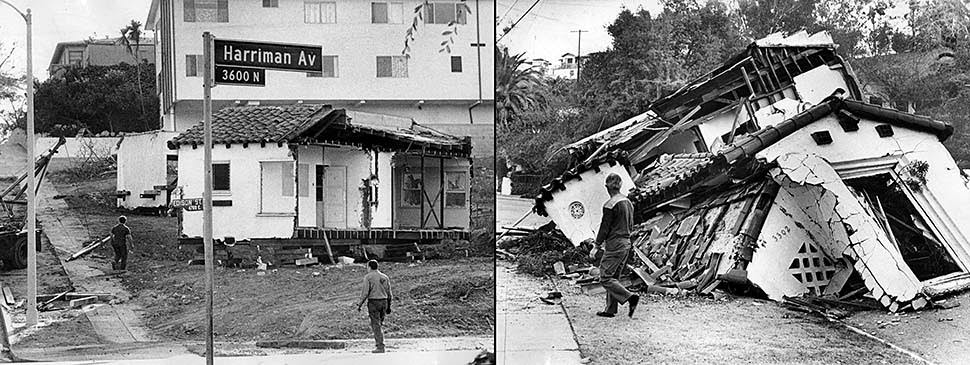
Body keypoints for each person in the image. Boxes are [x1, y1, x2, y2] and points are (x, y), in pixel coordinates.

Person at [589, 173, 640, 318]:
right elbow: (631, 224)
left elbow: (605, 228)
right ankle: (610, 309)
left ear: (607, 187)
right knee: (614, 277)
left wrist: (596, 246)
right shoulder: (628, 202)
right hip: (626, 242)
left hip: (615, 243)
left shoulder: (610, 205)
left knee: (605, 277)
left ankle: (631, 298)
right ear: (620, 185)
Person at [356, 259, 393, 353]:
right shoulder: (384, 277)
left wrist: (360, 304)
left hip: (373, 302)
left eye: (367, 267)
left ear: (369, 267)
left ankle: (380, 346)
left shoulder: (368, 277)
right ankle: (380, 343)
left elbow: (365, 293)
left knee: (376, 325)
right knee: (380, 323)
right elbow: (389, 293)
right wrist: (389, 305)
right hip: (384, 301)